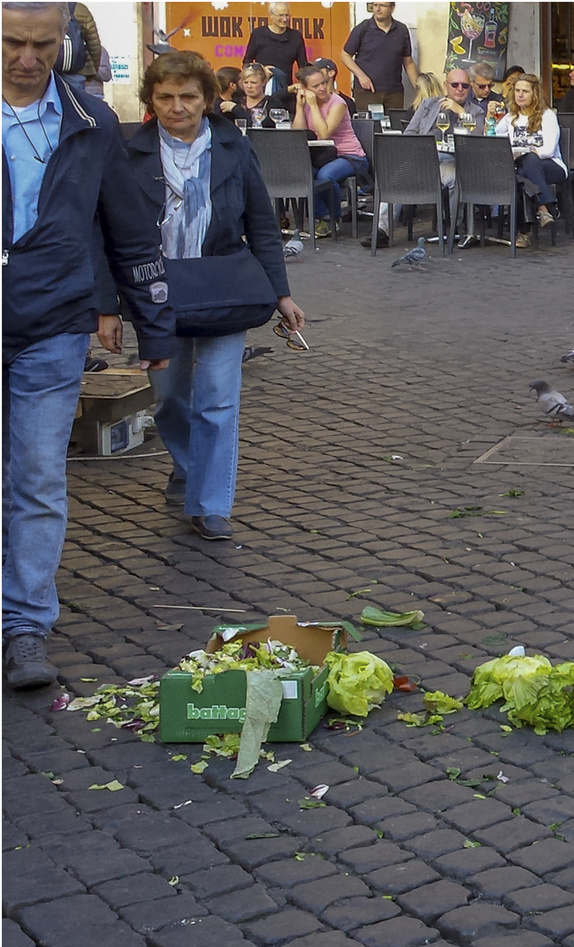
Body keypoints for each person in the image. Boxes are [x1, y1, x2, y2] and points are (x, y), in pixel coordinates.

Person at [2, 0, 175, 690]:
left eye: (42, 45)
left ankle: (24, 626)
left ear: (66, 45)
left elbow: (128, 226)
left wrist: (152, 321)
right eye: (12, 42)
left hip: (52, 321)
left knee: (39, 478)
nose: (26, 58)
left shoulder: (92, 120)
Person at [108, 50, 303, 545]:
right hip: (157, 292)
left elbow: (261, 223)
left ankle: (210, 503)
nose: (178, 107)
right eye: (166, 97)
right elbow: (107, 230)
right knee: (170, 399)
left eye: (188, 97)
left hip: (223, 287)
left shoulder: (233, 148)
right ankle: (187, 462)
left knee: (217, 399)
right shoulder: (130, 153)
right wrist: (106, 305)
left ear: (208, 99)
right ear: (151, 100)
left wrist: (281, 294)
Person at [290, 64, 367, 238]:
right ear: (305, 89)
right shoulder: (307, 103)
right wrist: (300, 108)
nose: (322, 88)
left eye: (324, 83)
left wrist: (314, 106)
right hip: (322, 155)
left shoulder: (337, 103)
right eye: (316, 86)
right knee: (305, 173)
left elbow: (324, 133)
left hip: (350, 155)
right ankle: (322, 215)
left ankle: (332, 219)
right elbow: (298, 134)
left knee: (325, 176)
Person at [497, 71, 563, 247]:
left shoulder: (547, 115)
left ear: (534, 93)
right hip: (525, 170)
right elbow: (495, 136)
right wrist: (491, 117)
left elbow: (548, 150)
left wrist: (525, 153)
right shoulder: (511, 116)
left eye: (524, 91)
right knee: (521, 178)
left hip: (550, 166)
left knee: (528, 162)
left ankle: (524, 233)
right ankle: (544, 209)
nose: (519, 94)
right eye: (517, 90)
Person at [342, 1, 415, 110]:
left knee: (394, 125)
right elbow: (345, 55)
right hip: (367, 91)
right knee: (370, 126)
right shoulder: (363, 28)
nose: (377, 9)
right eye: (375, 5)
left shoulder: (401, 30)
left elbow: (408, 62)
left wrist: (420, 87)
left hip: (394, 91)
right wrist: (361, 76)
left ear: (392, 8)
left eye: (382, 6)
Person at [242, 2, 306, 95]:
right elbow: (246, 63)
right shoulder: (258, 34)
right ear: (271, 15)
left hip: (285, 90)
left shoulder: (295, 36)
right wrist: (262, 70)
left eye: (287, 15)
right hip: (261, 90)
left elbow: (303, 67)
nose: (284, 19)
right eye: (280, 15)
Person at [60, 1, 98, 93]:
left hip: (48, 71)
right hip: (77, 71)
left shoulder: (43, 7)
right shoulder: (80, 10)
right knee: (75, 103)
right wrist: (92, 72)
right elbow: (94, 44)